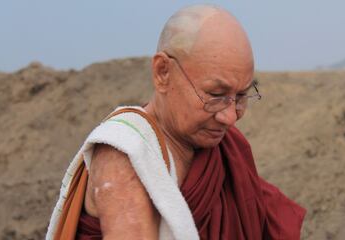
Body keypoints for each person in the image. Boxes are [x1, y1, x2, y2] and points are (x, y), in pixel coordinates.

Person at [47, 4, 305, 240]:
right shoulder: (125, 156)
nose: (230, 117)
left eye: (240, 96)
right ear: (163, 72)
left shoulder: (228, 153)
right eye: (215, 95)